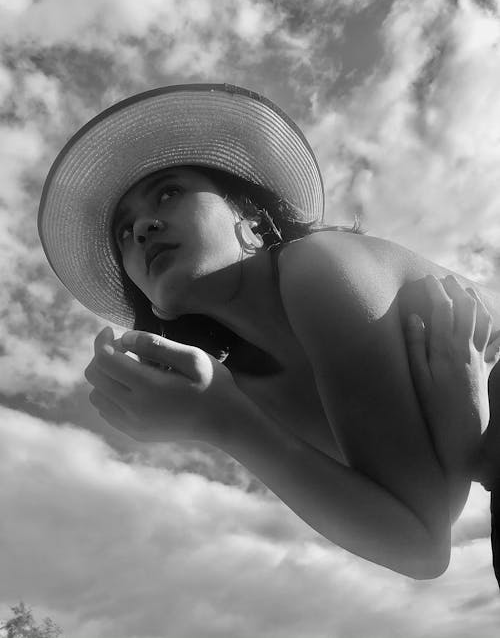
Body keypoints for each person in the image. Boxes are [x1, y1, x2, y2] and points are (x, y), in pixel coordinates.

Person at [38, 83, 500, 583]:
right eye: (124, 234)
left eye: (169, 193)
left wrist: (223, 421)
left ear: (252, 216)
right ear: (148, 299)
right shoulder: (248, 389)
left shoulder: (318, 268)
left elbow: (422, 538)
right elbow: (419, 525)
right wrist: (464, 432)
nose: (143, 228)